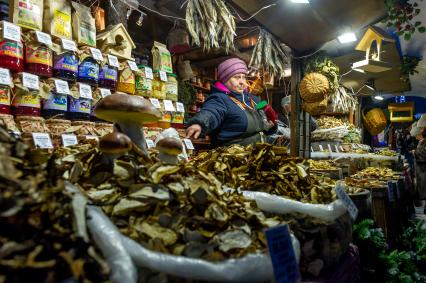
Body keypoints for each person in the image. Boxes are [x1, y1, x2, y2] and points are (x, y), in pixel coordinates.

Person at [185, 57, 271, 147]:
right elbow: (212, 112)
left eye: (244, 77)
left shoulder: (254, 99)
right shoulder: (220, 98)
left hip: (259, 155)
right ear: (225, 80)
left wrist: (271, 126)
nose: (242, 82)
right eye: (237, 77)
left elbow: (265, 121)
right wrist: (199, 124)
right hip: (233, 157)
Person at [414, 128, 426, 212]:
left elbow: (423, 156)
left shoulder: (424, 142)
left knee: (424, 188)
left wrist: (414, 152)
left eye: (422, 130)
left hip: (423, 169)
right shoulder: (422, 142)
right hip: (420, 169)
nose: (420, 131)